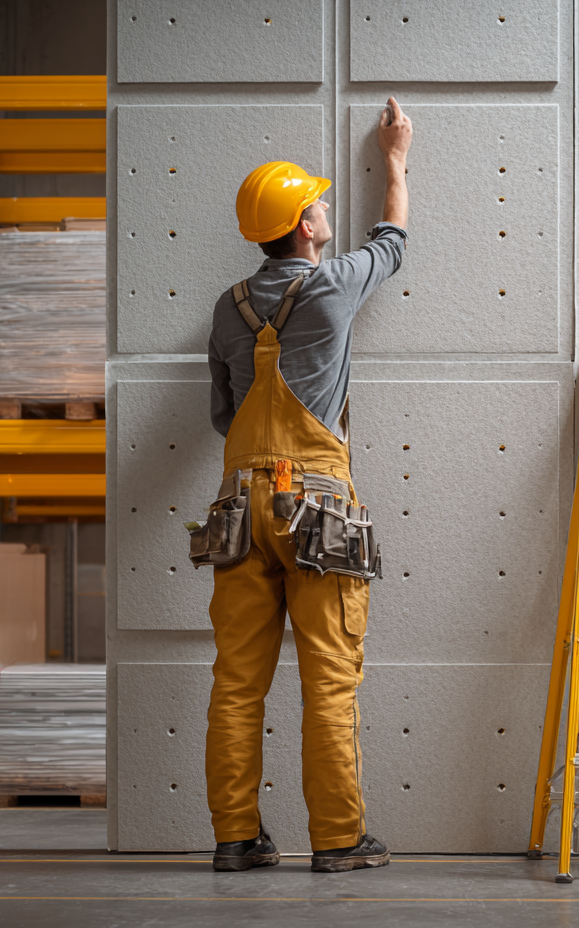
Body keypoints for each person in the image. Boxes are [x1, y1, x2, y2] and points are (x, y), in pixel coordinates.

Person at [204, 97, 413, 874]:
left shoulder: (226, 312)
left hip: (237, 507)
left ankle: (235, 838)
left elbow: (224, 416)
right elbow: (392, 242)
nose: (326, 209)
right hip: (316, 504)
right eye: (317, 204)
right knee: (329, 680)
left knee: (236, 684)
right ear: (305, 227)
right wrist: (394, 156)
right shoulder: (332, 287)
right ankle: (337, 839)